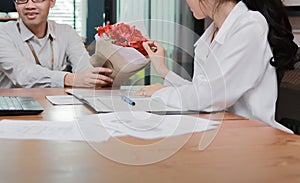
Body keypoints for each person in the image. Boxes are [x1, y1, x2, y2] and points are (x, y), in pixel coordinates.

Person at [136, 0, 298, 133]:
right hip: (223, 132)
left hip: (252, 138)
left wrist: (162, 93)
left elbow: (209, 97)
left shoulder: (250, 25)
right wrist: (164, 71)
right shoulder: (213, 32)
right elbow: (203, 91)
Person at [0, 0, 113, 88]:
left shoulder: (66, 32)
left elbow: (84, 68)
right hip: (13, 110)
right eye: (22, 0)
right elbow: (22, 73)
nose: (29, 5)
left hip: (55, 108)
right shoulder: (3, 33)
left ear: (52, 2)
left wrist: (95, 78)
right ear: (15, 4)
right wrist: (69, 79)